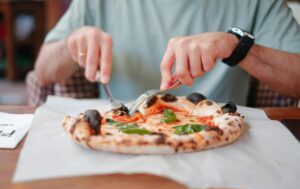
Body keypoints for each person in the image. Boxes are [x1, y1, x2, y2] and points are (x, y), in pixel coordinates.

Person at [34, 0, 300, 105]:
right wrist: (73, 43)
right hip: (118, 139)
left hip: (220, 145)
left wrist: (236, 46)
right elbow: (44, 72)